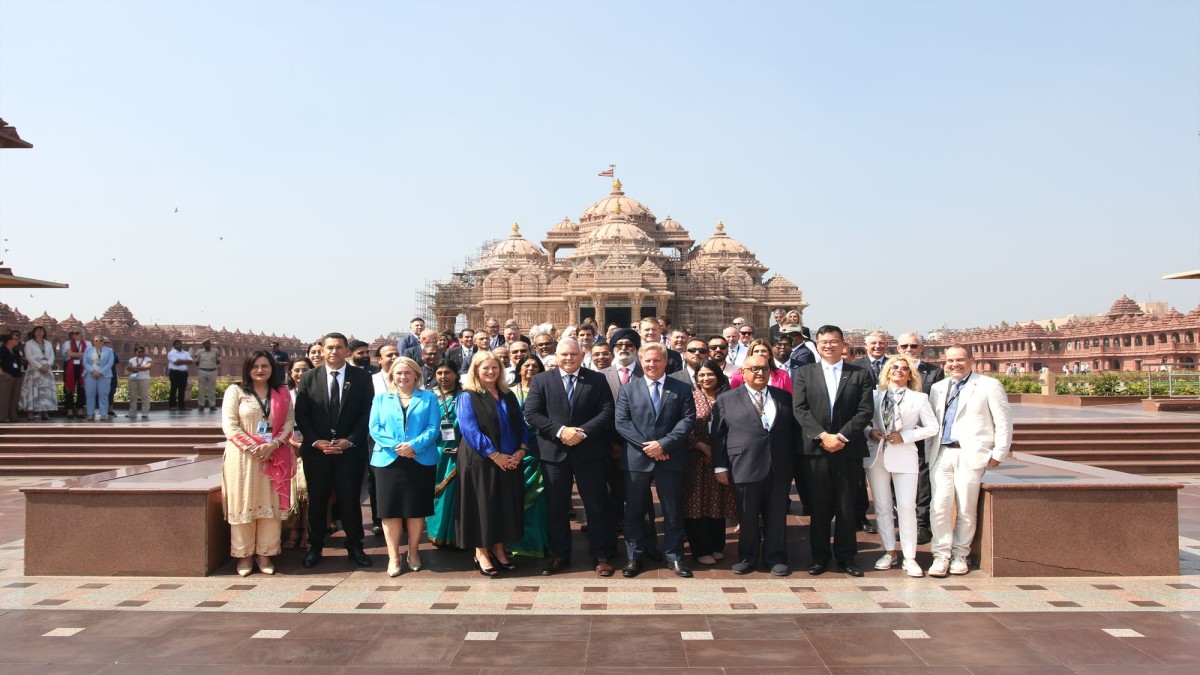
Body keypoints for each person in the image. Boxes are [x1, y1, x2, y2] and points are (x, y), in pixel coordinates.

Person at [524, 339, 617, 576]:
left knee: (596, 506)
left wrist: (581, 432)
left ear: (582, 354)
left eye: (573, 354)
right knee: (556, 508)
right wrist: (561, 431)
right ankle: (560, 556)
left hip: (590, 452)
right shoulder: (542, 380)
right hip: (554, 452)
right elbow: (532, 413)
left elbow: (607, 411)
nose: (568, 358)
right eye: (564, 354)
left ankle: (601, 555)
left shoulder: (596, 379)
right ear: (556, 355)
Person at [792, 325, 874, 577]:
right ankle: (819, 556)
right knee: (819, 506)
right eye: (824, 342)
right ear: (817, 345)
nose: (828, 345)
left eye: (834, 341)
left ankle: (847, 557)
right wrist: (822, 436)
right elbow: (800, 409)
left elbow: (865, 411)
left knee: (846, 505)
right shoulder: (805, 373)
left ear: (842, 344)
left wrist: (840, 436)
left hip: (847, 448)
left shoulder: (859, 374)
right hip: (816, 449)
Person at [926, 345, 1012, 577]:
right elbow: (933, 424)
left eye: (960, 360)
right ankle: (941, 553)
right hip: (941, 452)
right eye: (951, 360)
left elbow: (1003, 421)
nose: (955, 364)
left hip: (970, 453)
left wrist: (999, 452)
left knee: (965, 506)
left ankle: (960, 554)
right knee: (940, 506)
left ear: (971, 361)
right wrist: (927, 454)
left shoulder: (988, 385)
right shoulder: (938, 388)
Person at [615, 342, 696, 578]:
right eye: (647, 360)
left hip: (671, 457)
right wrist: (650, 447)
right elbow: (622, 423)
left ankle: (675, 556)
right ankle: (634, 556)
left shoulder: (681, 388)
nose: (652, 364)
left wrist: (664, 444)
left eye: (656, 360)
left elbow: (687, 421)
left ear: (666, 362)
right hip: (637, 461)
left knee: (672, 510)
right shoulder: (629, 389)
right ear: (641, 361)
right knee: (635, 511)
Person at [294, 332, 375, 568]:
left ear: (347, 351)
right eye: (329, 347)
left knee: (350, 500)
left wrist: (350, 440)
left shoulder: (361, 377)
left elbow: (366, 412)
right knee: (318, 500)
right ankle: (315, 546)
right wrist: (316, 441)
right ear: (322, 349)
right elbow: (302, 414)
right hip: (317, 452)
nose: (334, 352)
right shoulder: (309, 377)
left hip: (349, 451)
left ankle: (355, 545)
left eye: (339, 347)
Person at [712, 354, 795, 576]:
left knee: (776, 515)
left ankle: (775, 557)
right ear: (743, 373)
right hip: (744, 464)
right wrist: (720, 466)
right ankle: (747, 557)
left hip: (778, 466)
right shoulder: (727, 399)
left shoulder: (784, 397)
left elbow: (793, 433)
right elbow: (718, 436)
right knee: (747, 516)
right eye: (755, 369)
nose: (760, 373)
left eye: (765, 369)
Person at [221, 352, 295, 576]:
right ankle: (244, 556)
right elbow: (230, 426)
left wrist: (272, 445)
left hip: (274, 456)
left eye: (265, 366)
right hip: (243, 457)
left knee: (270, 505)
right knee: (243, 502)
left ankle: (265, 553)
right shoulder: (236, 391)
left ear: (273, 368)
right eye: (255, 366)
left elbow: (289, 421)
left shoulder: (281, 393)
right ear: (247, 368)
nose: (260, 370)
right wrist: (255, 447)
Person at [864, 355, 938, 578]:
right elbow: (863, 422)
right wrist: (870, 432)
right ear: (887, 372)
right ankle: (889, 551)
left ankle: (910, 556)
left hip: (904, 455)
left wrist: (905, 436)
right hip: (878, 456)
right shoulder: (874, 396)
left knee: (906, 507)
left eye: (904, 368)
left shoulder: (919, 398)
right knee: (883, 507)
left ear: (910, 374)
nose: (899, 371)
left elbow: (932, 427)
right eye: (894, 367)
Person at [456, 352, 529, 576]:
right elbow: (470, 430)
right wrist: (495, 455)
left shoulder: (507, 395)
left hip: (510, 459)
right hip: (481, 460)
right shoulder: (468, 396)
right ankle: (481, 552)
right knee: (482, 505)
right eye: (485, 368)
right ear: (476, 370)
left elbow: (521, 424)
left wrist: (521, 450)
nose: (490, 372)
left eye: (495, 368)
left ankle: (499, 548)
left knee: (504, 505)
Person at [369, 357, 440, 577]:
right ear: (392, 376)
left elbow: (433, 427)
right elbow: (374, 427)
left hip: (419, 458)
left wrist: (413, 445)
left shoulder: (428, 398)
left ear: (416, 375)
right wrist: (396, 446)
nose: (403, 377)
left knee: (415, 509)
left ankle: (414, 552)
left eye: (408, 373)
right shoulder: (381, 399)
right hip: (388, 460)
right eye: (398, 373)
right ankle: (393, 557)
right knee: (390, 511)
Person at [682, 360, 737, 566]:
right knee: (696, 505)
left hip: (723, 458)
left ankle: (716, 545)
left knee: (718, 502)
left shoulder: (729, 397)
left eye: (710, 374)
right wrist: (702, 446)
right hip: (696, 459)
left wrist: (719, 451)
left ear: (719, 375)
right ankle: (700, 548)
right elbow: (683, 425)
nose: (706, 379)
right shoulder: (690, 397)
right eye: (701, 375)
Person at [896, 332, 944, 544]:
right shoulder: (891, 370)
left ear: (921, 348)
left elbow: (937, 405)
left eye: (913, 346)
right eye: (904, 346)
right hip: (896, 437)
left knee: (923, 479)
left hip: (922, 435)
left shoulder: (934, 373)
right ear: (898, 348)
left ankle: (922, 523)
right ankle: (903, 521)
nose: (909, 350)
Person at [506, 354, 551, 559]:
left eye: (535, 365)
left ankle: (537, 544)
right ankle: (513, 542)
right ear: (519, 368)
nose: (530, 368)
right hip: (514, 450)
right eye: (526, 365)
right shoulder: (508, 392)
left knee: (538, 498)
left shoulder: (546, 391)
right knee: (514, 497)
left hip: (539, 448)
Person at [427, 359, 463, 548]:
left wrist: (464, 446)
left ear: (456, 374)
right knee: (435, 495)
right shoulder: (428, 397)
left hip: (458, 451)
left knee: (453, 494)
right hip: (433, 451)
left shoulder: (465, 396)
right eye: (439, 373)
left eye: (447, 372)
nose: (443, 377)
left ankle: (456, 536)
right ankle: (436, 533)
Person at [282, 357, 313, 550]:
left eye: (305, 370)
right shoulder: (284, 395)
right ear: (291, 374)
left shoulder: (319, 393)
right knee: (292, 492)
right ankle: (293, 530)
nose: (301, 374)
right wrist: (290, 441)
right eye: (297, 370)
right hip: (288, 447)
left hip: (313, 447)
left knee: (309, 492)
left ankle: (308, 530)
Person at [19, 326, 56, 420]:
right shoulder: (29, 344)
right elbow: (29, 357)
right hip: (34, 371)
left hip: (47, 370)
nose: (40, 333)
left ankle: (45, 412)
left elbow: (52, 355)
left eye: (41, 331)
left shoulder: (48, 343)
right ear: (34, 333)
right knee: (32, 392)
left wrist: (48, 365)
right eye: (37, 331)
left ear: (44, 333)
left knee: (45, 392)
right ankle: (30, 413)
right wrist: (40, 366)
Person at [78, 336, 114, 422]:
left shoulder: (109, 351)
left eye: (100, 341)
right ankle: (90, 414)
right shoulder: (88, 350)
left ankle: (103, 414)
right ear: (93, 342)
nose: (98, 342)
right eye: (96, 341)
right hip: (91, 374)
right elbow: (85, 362)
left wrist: (100, 372)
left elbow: (110, 363)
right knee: (90, 395)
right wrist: (92, 370)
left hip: (104, 375)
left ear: (103, 342)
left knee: (103, 394)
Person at [61, 330, 88, 419]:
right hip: (70, 366)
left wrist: (74, 354)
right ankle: (69, 409)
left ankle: (80, 408)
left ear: (82, 334)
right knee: (69, 387)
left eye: (77, 332)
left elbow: (88, 355)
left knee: (82, 387)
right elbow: (69, 354)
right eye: (72, 333)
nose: (74, 334)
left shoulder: (87, 343)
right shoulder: (67, 343)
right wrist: (80, 354)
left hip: (83, 366)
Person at [0, 332, 24, 423]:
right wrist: (2, 373)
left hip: (17, 376)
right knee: (4, 397)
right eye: (15, 339)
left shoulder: (15, 351)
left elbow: (18, 363)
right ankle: (3, 417)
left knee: (15, 397)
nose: (18, 340)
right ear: (9, 340)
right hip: (6, 376)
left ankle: (13, 416)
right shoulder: (2, 349)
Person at [124, 344, 153, 419]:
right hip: (133, 379)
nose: (141, 353)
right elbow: (128, 367)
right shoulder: (132, 359)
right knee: (133, 397)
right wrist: (141, 368)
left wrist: (135, 368)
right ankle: (132, 413)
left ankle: (145, 413)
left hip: (144, 379)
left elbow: (149, 366)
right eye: (139, 351)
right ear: (135, 352)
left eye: (143, 351)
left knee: (145, 396)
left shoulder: (148, 359)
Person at [194, 339, 221, 412]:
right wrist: (203, 366)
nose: (208, 345)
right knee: (201, 389)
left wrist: (212, 365)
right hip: (202, 371)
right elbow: (196, 361)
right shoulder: (199, 352)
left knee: (211, 389)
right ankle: (201, 405)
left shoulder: (215, 351)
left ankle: (212, 405)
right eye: (206, 344)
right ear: (203, 345)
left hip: (212, 371)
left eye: (209, 343)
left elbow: (218, 360)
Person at [166, 340, 193, 412]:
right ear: (174, 346)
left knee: (182, 390)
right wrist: (184, 361)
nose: (179, 345)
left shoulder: (186, 353)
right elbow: (176, 362)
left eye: (180, 344)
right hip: (174, 373)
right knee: (173, 389)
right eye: (177, 344)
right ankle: (172, 406)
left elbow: (191, 361)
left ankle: (182, 406)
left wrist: (181, 361)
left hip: (183, 373)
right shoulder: (171, 353)